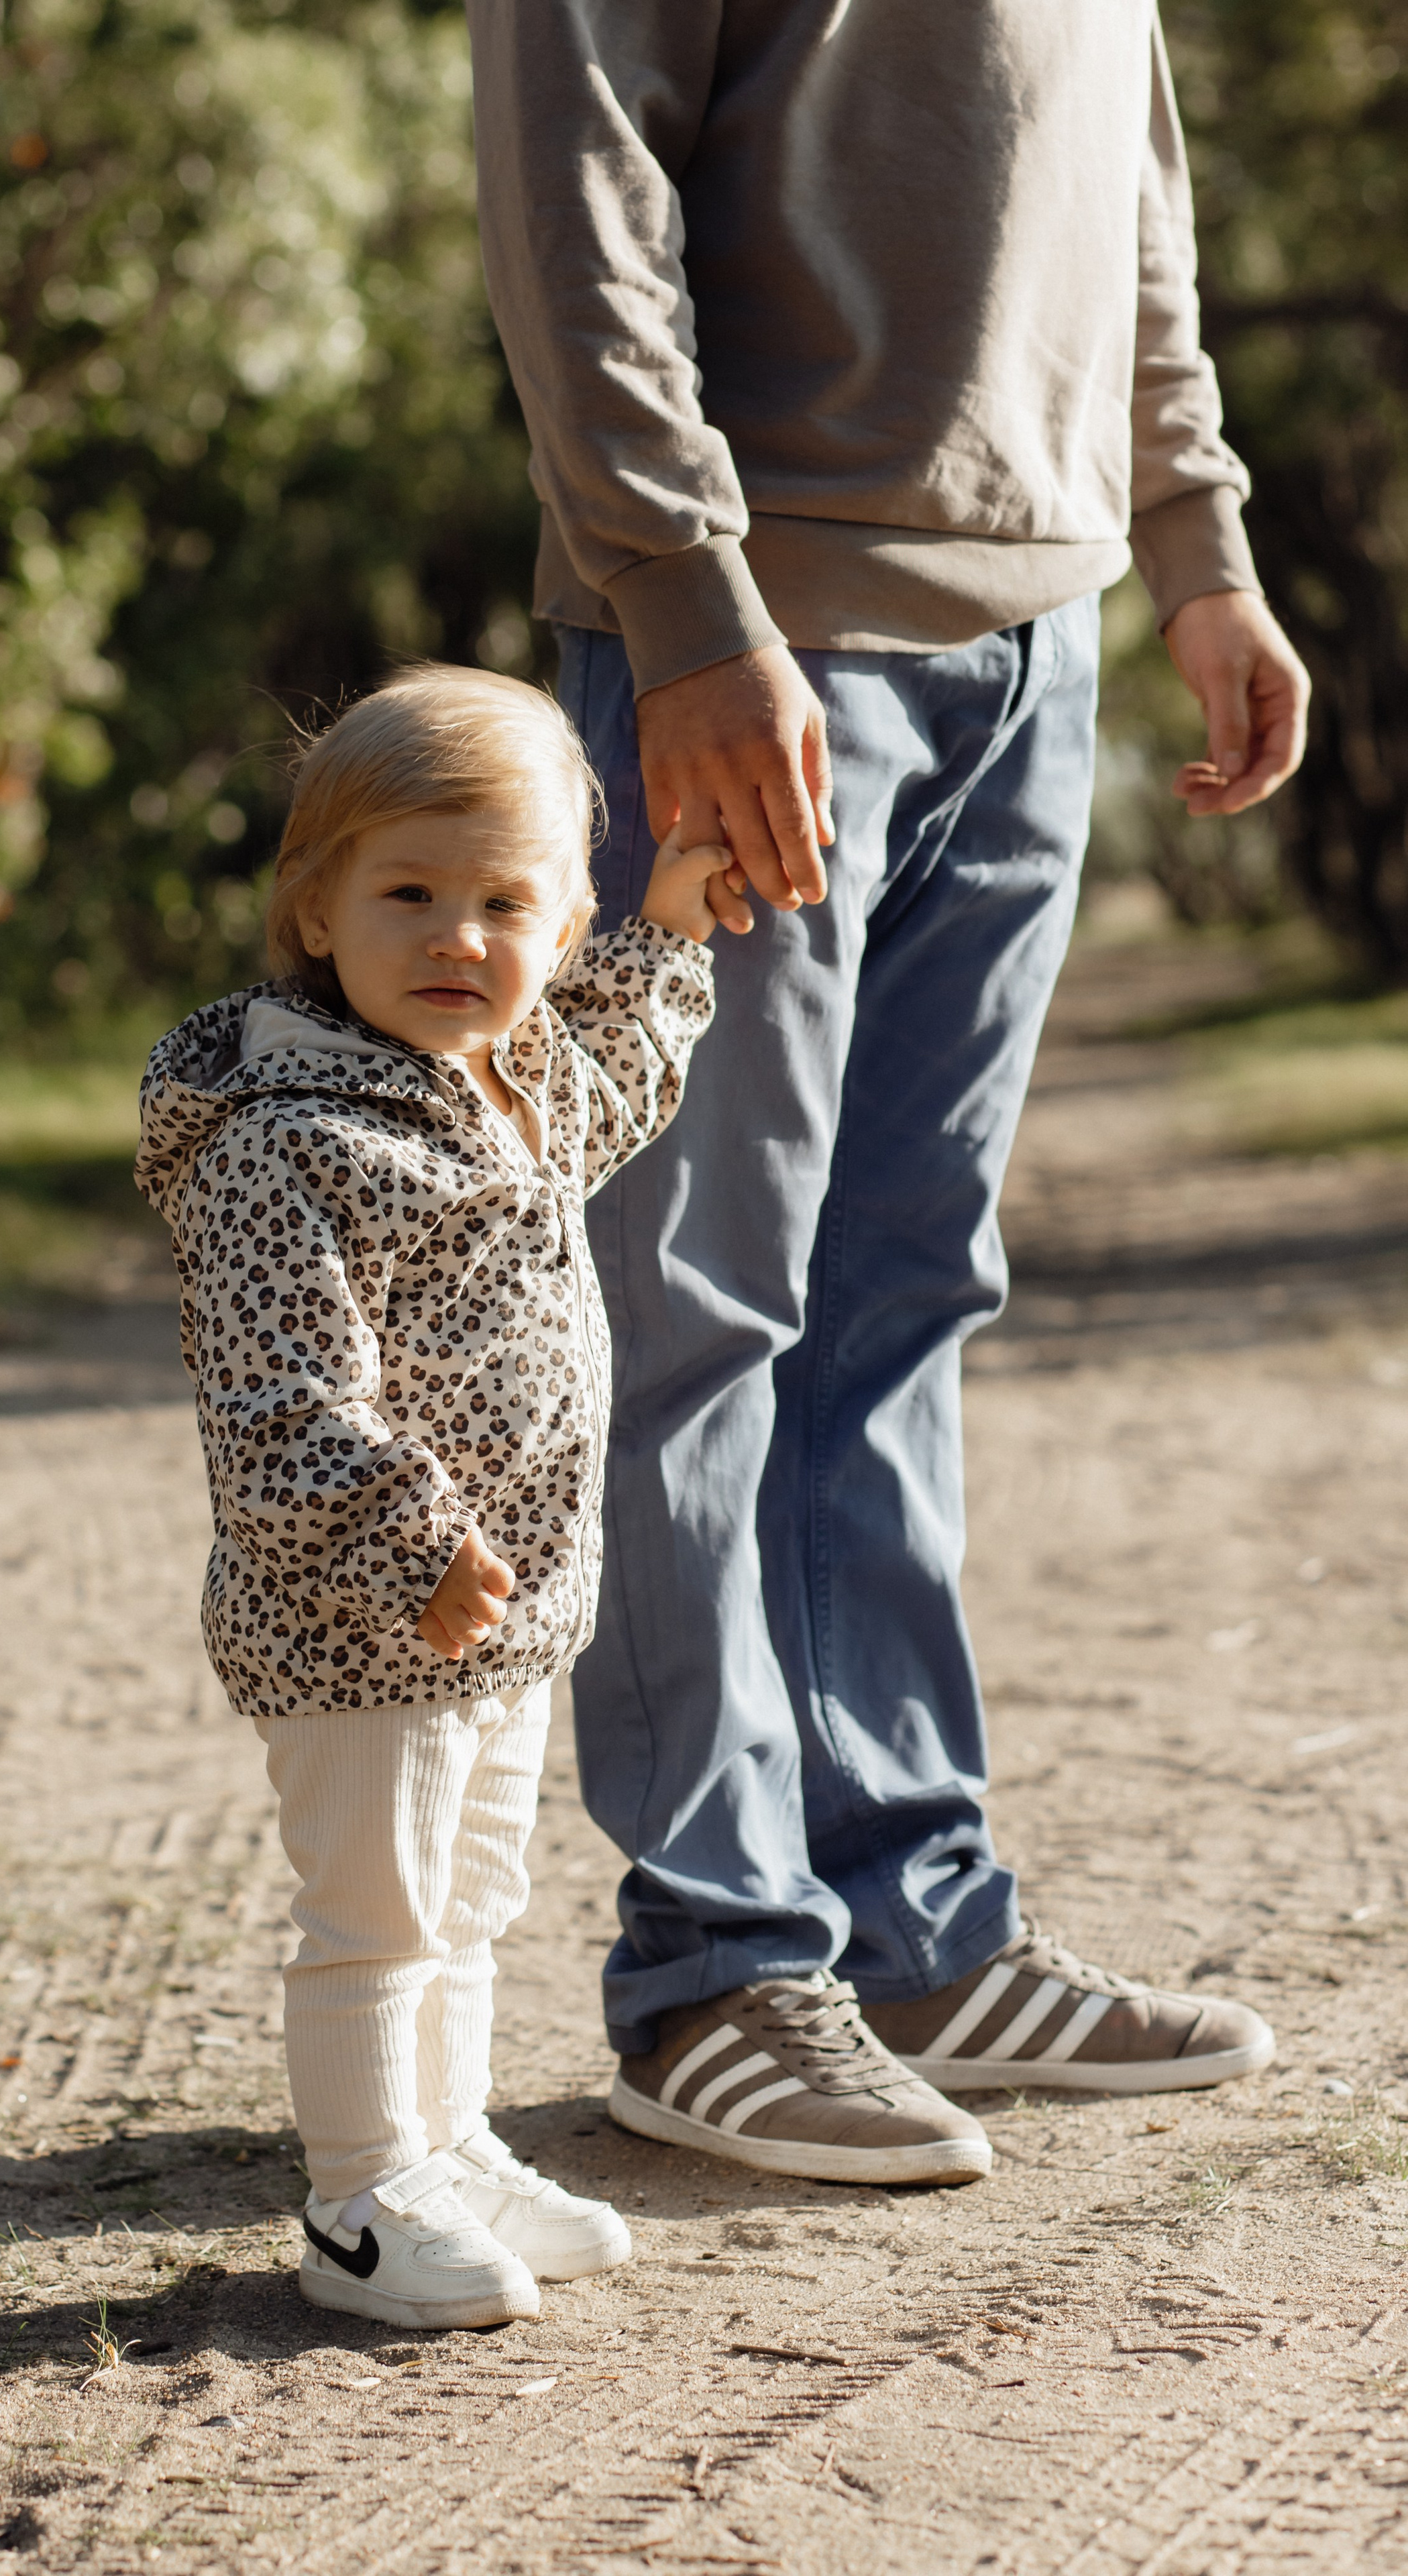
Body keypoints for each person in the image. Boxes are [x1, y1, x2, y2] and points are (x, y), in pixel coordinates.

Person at [466, 2, 1310, 2184]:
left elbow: (1123, 174)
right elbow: (576, 184)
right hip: (755, 642)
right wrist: (683, 594)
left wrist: (1194, 536)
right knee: (701, 1317)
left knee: (901, 1296)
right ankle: (719, 1967)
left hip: (1040, 640)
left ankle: (916, 1931)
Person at [135, 666, 738, 2328]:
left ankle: (446, 2145)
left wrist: (669, 936)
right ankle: (356, 2197)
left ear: (555, 926)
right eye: (410, 893)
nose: (459, 938)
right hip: (358, 1618)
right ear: (316, 909)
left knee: (470, 1896)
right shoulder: (281, 1138)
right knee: (374, 1913)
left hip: (504, 1602)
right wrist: (409, 1539)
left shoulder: (511, 1084)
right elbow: (277, 1400)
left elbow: (613, 1076)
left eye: (504, 904)